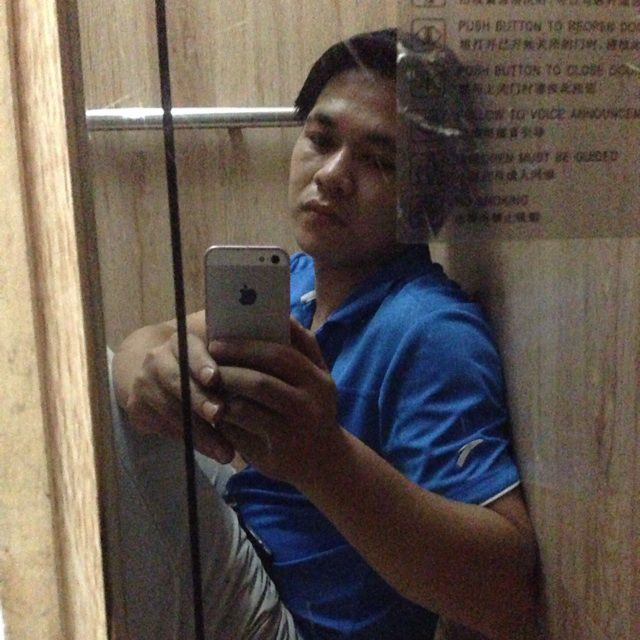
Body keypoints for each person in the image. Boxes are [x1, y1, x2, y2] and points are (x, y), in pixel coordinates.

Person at [112, 29, 538, 640]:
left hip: (302, 626)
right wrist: (155, 379)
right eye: (320, 139)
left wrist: (323, 459)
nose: (333, 175)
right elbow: (147, 342)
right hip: (257, 552)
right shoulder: (302, 279)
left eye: (380, 161)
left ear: (430, 197)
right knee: (109, 375)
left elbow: (510, 595)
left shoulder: (429, 331)